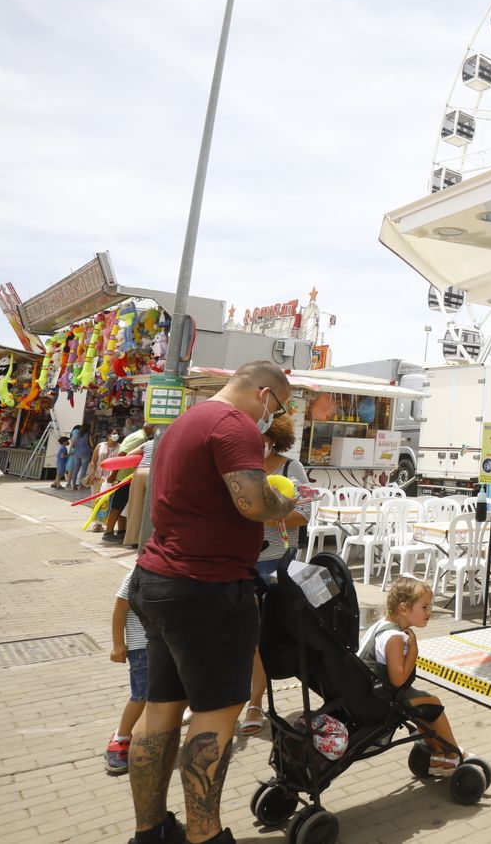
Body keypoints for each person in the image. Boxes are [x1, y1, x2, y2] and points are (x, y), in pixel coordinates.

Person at [125, 360, 296, 844]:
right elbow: (254, 503)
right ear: (264, 393)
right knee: (215, 716)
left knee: (159, 711)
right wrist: (287, 502)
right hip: (208, 588)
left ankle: (151, 831)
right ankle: (205, 835)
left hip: (157, 579)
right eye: (277, 407)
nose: (273, 417)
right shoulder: (233, 424)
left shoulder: (186, 421)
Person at [239, 413, 312, 737]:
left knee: (265, 636)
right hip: (240, 561)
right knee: (242, 636)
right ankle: (242, 699)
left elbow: (304, 514)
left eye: (264, 438)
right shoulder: (243, 469)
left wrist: (265, 516)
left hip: (275, 565)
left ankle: (256, 701)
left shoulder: (290, 468)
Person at [357, 577, 467, 770]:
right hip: (382, 700)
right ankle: (452, 754)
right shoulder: (395, 638)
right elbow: (398, 679)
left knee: (424, 703)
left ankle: (437, 751)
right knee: (433, 703)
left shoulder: (380, 625)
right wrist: (413, 651)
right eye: (424, 607)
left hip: (371, 691)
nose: (429, 613)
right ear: (404, 609)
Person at [104, 570, 149, 774]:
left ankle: (150, 735)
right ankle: (121, 737)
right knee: (142, 694)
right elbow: (120, 608)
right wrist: (118, 644)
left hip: (169, 645)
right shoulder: (138, 573)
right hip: (142, 648)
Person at [69, 426, 92, 491]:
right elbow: (91, 443)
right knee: (83, 470)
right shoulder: (88, 434)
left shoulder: (77, 434)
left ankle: (73, 485)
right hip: (85, 452)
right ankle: (80, 485)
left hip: (77, 452)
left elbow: (73, 445)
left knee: (75, 470)